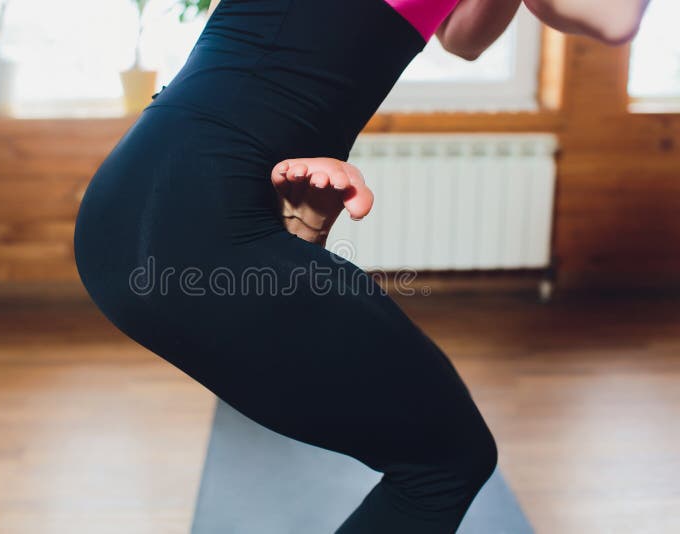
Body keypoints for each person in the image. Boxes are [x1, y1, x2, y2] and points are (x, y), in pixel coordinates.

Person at [73, 0, 649, 531]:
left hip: (133, 207)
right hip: (199, 223)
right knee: (445, 464)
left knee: (441, 456)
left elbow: (463, 37)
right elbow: (615, 17)